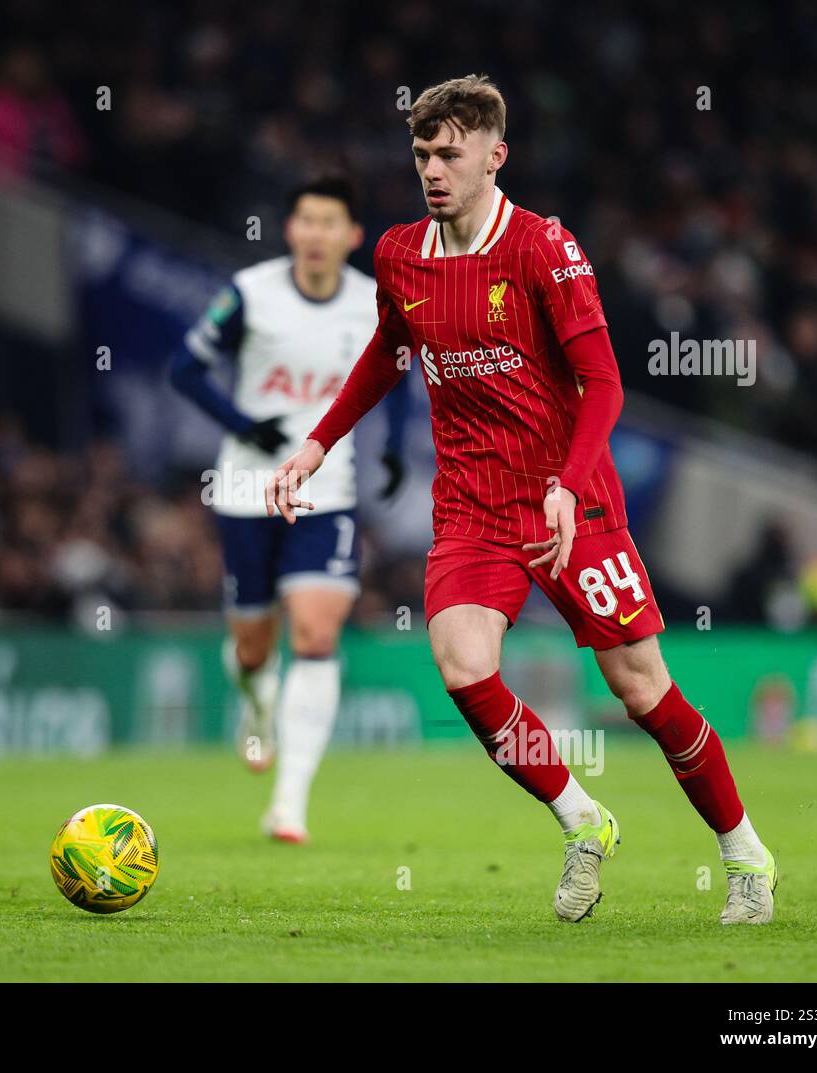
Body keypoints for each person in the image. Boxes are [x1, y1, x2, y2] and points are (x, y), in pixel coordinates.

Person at [265, 76, 777, 923]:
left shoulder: (542, 248)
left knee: (642, 688)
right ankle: (582, 818)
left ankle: (745, 854)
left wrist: (570, 490)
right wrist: (318, 443)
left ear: (494, 157)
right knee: (464, 664)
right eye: (422, 153)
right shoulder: (399, 253)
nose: (432, 168)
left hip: (571, 502)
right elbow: (386, 353)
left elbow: (604, 384)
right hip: (471, 504)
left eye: (449, 153)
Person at [170, 177, 409, 843]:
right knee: (252, 645)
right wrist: (246, 427)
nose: (315, 233)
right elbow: (182, 370)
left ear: (353, 235)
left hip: (326, 490)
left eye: (330, 222)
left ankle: (290, 801)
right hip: (247, 488)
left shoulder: (373, 302)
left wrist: (392, 449)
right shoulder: (250, 293)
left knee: (315, 633)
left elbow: (395, 373)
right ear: (290, 230)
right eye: (305, 220)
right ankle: (257, 705)